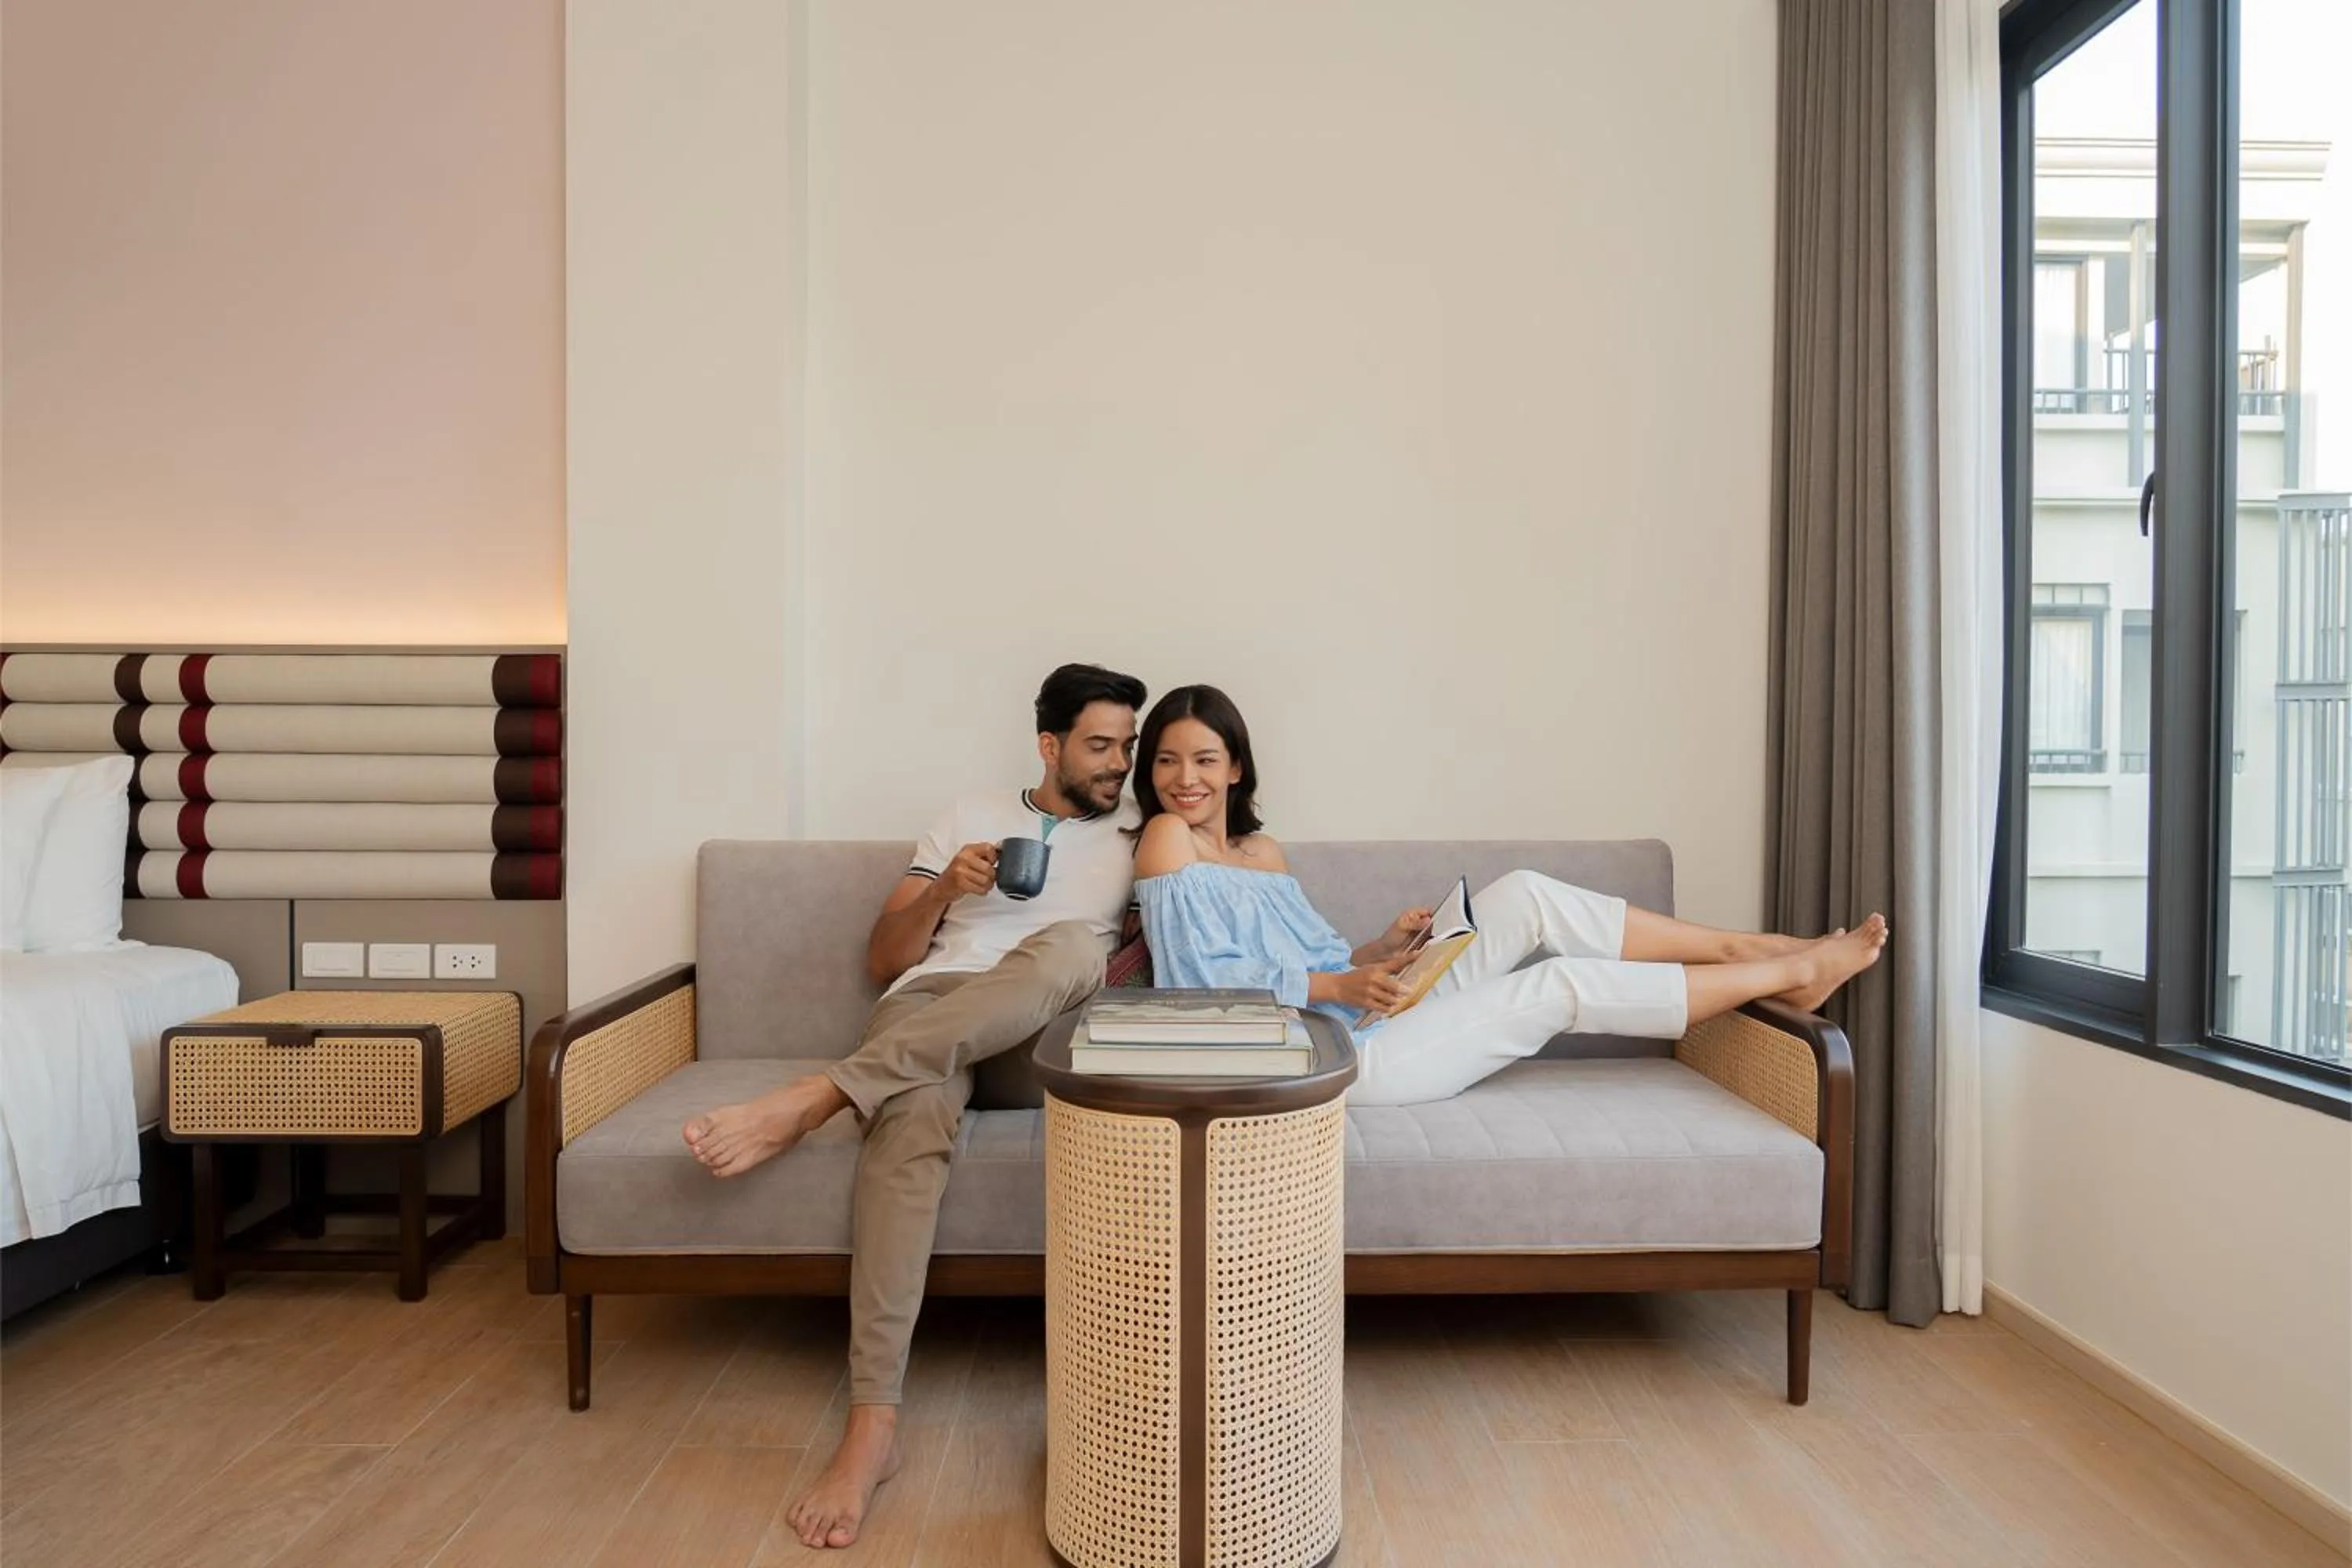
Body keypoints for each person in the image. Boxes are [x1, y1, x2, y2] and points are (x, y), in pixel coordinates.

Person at [682, 662, 1147, 1549]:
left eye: (1125, 745)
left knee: (1067, 948)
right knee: (914, 1100)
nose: (1116, 762)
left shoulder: (1140, 828)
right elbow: (884, 959)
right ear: (1049, 744)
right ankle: (873, 1426)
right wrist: (943, 891)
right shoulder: (968, 814)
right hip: (930, 1008)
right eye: (1099, 744)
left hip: (1039, 1031)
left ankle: (822, 1093)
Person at [1131, 684, 1887, 1106]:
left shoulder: (1263, 852)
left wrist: (1382, 953)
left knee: (1523, 894)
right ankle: (1793, 972)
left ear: (1236, 767)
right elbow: (1200, 990)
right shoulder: (1166, 837)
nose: (1183, 778)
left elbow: (1312, 963)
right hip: (1323, 1061)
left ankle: (1748, 945)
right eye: (1167, 761)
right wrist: (1340, 982)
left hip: (1360, 1015)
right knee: (1559, 983)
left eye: (1204, 758)